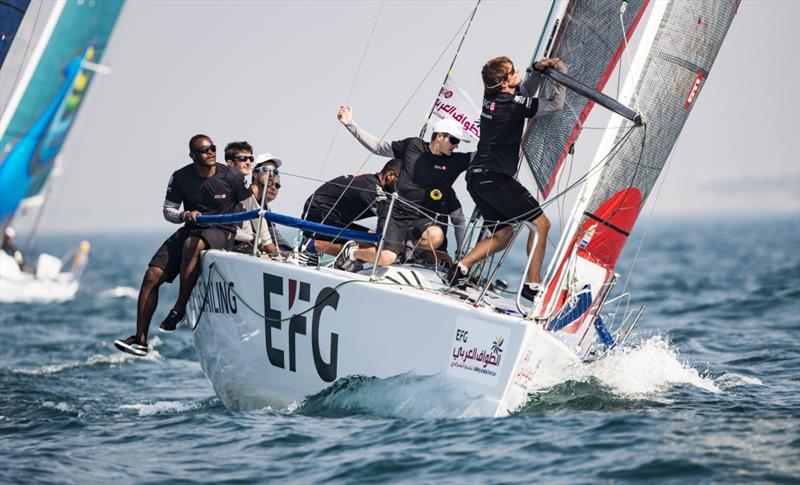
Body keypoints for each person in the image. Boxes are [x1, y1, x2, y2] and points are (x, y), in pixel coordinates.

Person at [114, 134, 251, 356]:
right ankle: (140, 340)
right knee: (151, 275)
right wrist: (184, 215)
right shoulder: (180, 177)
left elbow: (251, 207)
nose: (211, 153)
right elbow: (168, 211)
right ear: (193, 156)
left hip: (222, 230)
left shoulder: (232, 176)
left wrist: (255, 238)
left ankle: (179, 309)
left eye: (213, 148)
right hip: (191, 226)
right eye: (205, 150)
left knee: (192, 244)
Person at [448, 56, 566, 301]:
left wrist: (535, 69)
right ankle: (532, 285)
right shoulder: (511, 104)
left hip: (476, 179)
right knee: (541, 224)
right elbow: (556, 105)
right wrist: (561, 75)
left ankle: (461, 268)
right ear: (503, 82)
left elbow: (521, 92)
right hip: (495, 178)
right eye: (512, 72)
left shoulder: (491, 98)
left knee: (503, 235)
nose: (516, 73)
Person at [336, 110, 471, 267]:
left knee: (436, 235)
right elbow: (379, 147)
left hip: (420, 219)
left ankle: (409, 248)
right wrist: (350, 124)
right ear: (439, 136)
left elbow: (484, 155)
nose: (456, 145)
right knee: (387, 258)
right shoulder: (414, 145)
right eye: (454, 140)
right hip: (395, 214)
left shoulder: (455, 161)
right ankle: (352, 253)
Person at [301, 159, 401, 263]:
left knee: (371, 239)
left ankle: (314, 249)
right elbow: (391, 217)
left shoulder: (373, 183)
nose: (405, 187)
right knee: (367, 249)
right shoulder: (371, 188)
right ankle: (310, 245)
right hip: (317, 217)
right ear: (390, 175)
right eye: (403, 182)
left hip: (330, 217)